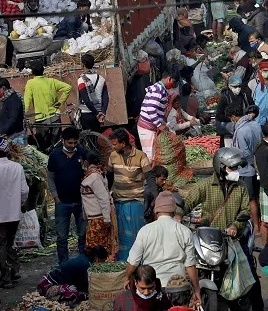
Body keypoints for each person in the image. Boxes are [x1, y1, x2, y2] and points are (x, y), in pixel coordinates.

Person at [125, 191, 200, 307]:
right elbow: (190, 265)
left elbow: (133, 261)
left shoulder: (145, 231)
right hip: (177, 287)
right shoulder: (185, 231)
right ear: (174, 211)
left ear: (156, 211)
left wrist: (127, 278)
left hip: (153, 286)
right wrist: (196, 290)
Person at [0, 137, 29, 288]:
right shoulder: (18, 167)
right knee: (10, 243)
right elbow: (25, 191)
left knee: (1, 246)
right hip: (14, 214)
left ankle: (6, 278)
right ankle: (15, 270)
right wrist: (21, 204)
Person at [108, 128, 155, 262]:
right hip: (118, 201)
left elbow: (150, 177)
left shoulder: (141, 156)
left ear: (123, 143)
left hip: (135, 201)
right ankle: (123, 263)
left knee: (135, 235)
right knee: (120, 235)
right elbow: (110, 176)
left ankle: (137, 262)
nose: (113, 146)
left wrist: (156, 197)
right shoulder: (113, 156)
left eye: (115, 144)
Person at [48, 127, 87, 263]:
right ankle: (63, 264)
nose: (73, 146)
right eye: (70, 143)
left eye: (75, 143)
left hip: (80, 202)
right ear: (63, 141)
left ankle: (83, 262)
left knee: (82, 235)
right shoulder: (55, 155)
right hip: (62, 202)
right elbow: (50, 177)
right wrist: (55, 197)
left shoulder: (82, 154)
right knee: (62, 238)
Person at [24, 61, 72, 151]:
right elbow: (68, 87)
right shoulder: (51, 81)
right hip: (55, 116)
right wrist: (60, 102)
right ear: (43, 71)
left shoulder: (30, 83)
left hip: (41, 119)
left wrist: (24, 114)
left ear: (32, 72)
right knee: (57, 144)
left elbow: (27, 101)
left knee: (42, 146)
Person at [81, 152, 116, 258]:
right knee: (97, 247)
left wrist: (106, 219)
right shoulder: (93, 175)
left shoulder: (94, 177)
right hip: (94, 219)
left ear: (86, 162)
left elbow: (104, 198)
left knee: (97, 248)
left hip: (98, 219)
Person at [137, 71, 178, 160]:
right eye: (173, 82)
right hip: (147, 127)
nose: (172, 85)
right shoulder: (159, 90)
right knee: (150, 157)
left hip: (149, 126)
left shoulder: (158, 88)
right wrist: (160, 125)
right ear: (169, 79)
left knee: (153, 155)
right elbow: (150, 109)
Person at [77, 53, 109, 131]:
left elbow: (86, 99)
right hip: (99, 113)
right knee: (96, 136)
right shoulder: (101, 78)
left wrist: (96, 113)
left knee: (88, 139)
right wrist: (102, 112)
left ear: (83, 64)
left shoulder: (81, 80)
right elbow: (106, 98)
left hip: (87, 113)